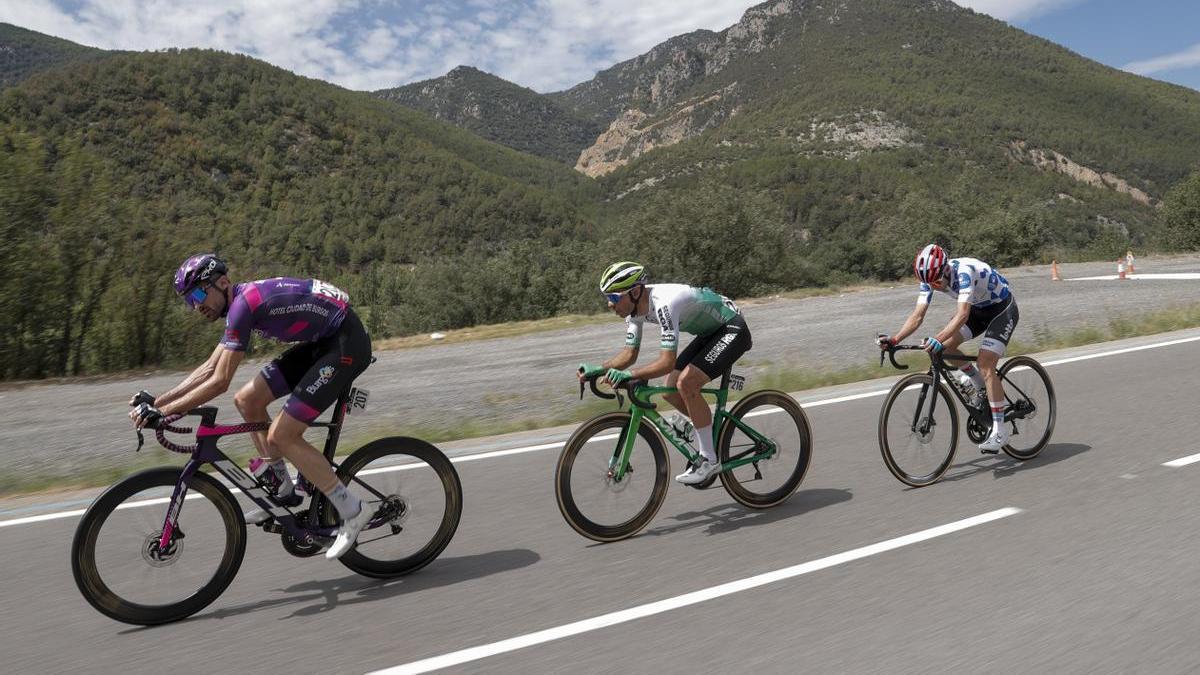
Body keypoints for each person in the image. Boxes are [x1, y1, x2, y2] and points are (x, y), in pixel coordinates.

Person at [129, 254, 374, 559]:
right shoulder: (238, 305)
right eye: (189, 300)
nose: (196, 306)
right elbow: (209, 368)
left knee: (282, 436)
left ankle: (352, 509)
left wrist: (163, 412)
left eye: (198, 294)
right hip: (322, 341)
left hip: (345, 344)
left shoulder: (244, 306)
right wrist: (158, 401)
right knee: (248, 400)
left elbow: (219, 382)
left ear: (222, 283)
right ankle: (284, 490)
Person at [579, 261, 752, 484]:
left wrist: (630, 375)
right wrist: (599, 369)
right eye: (607, 298)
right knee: (669, 391)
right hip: (710, 333)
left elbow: (667, 361)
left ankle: (709, 459)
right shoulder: (635, 310)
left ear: (635, 291)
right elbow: (629, 354)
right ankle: (706, 435)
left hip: (732, 328)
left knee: (686, 383)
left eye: (613, 298)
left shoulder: (665, 303)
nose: (610, 305)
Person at [877, 244, 1018, 453]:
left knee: (985, 362)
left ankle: (1000, 430)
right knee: (943, 349)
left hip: (1001, 309)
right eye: (927, 283)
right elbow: (917, 316)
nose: (933, 286)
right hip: (978, 311)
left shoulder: (963, 273)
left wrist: (937, 337)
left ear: (945, 269)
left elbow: (962, 315)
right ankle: (978, 384)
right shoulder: (929, 279)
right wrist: (895, 339)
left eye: (936, 281)